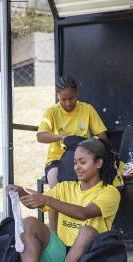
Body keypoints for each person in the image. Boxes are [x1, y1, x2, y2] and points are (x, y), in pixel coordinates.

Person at [6, 138, 120, 262]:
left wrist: (47, 199)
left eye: (83, 162)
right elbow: (36, 203)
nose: (77, 167)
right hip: (60, 257)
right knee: (29, 223)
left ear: (98, 163)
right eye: (75, 162)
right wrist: (20, 193)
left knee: (87, 231)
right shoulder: (65, 187)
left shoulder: (110, 192)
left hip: (89, 261)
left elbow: (84, 213)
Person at [37, 76, 108, 232]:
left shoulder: (87, 109)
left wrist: (90, 140)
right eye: (64, 99)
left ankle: (87, 231)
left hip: (83, 159)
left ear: (77, 93)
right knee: (56, 188)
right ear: (57, 96)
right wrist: (62, 137)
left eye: (71, 98)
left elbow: (103, 136)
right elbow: (40, 136)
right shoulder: (51, 112)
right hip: (57, 160)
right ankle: (55, 237)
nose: (68, 103)